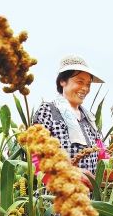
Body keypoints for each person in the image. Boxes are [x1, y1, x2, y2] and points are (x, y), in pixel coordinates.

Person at [33, 54, 107, 188]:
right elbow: (37, 158)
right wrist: (71, 173)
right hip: (57, 200)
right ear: (62, 81)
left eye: (88, 84)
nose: (85, 88)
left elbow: (102, 158)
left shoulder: (89, 119)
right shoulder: (48, 111)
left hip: (87, 201)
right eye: (80, 82)